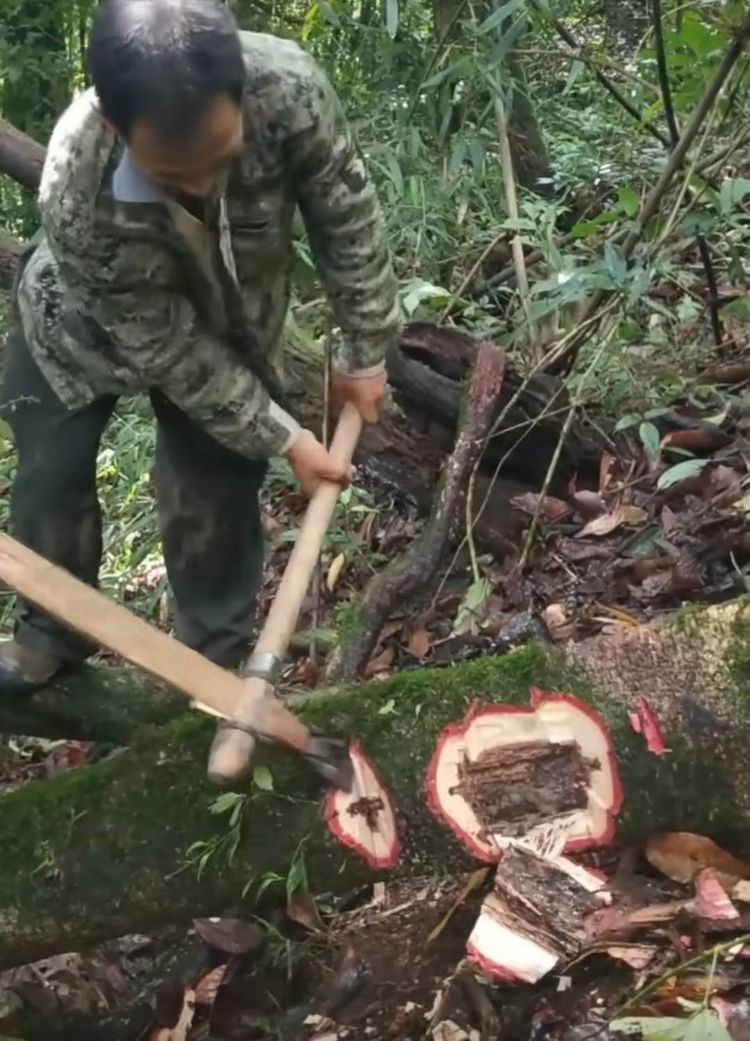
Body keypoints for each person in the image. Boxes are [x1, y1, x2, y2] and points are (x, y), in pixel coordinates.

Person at [0, 0, 400, 694]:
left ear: (243, 93)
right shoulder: (75, 180)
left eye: (218, 159)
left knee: (213, 482)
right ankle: (51, 633)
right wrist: (286, 436)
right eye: (169, 174)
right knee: (50, 475)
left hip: (233, 316)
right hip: (80, 327)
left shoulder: (290, 89)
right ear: (113, 126)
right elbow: (167, 350)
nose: (201, 185)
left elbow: (346, 213)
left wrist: (366, 349)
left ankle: (209, 662)